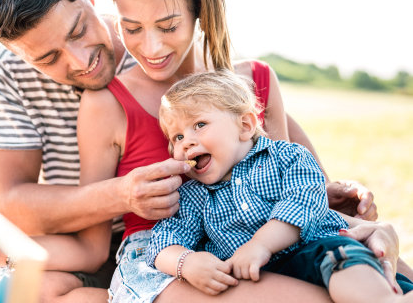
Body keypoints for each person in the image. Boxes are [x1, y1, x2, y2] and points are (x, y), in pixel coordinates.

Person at [0, 0, 391, 301]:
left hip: (239, 245)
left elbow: (278, 164)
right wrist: (119, 196)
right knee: (39, 290)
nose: (81, 61)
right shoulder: (66, 90)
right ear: (17, 54)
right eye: (47, 58)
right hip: (143, 253)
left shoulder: (174, 49)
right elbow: (22, 207)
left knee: (375, 267)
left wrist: (333, 204)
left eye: (79, 30)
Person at [147, 70, 413, 302]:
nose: (186, 143)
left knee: (341, 256)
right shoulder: (194, 196)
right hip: (266, 280)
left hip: (317, 250)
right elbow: (163, 240)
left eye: (199, 125)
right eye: (177, 137)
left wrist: (260, 245)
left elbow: (304, 201)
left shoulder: (287, 157)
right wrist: (186, 262)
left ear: (245, 124)